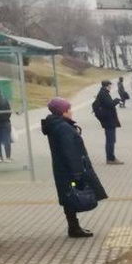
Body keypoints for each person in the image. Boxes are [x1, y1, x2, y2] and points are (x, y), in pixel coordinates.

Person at [41, 97, 107, 238]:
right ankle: (74, 228)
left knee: (68, 196)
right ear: (63, 112)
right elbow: (70, 151)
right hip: (69, 170)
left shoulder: (57, 125)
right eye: (69, 109)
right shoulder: (63, 128)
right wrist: (77, 173)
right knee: (71, 196)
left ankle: (74, 227)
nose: (71, 111)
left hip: (63, 169)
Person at [91, 80, 122, 164]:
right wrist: (117, 100)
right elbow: (109, 104)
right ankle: (110, 159)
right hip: (108, 120)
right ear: (107, 85)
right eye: (110, 85)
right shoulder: (103, 93)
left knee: (111, 140)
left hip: (108, 120)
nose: (111, 87)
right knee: (110, 140)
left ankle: (111, 157)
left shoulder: (103, 92)